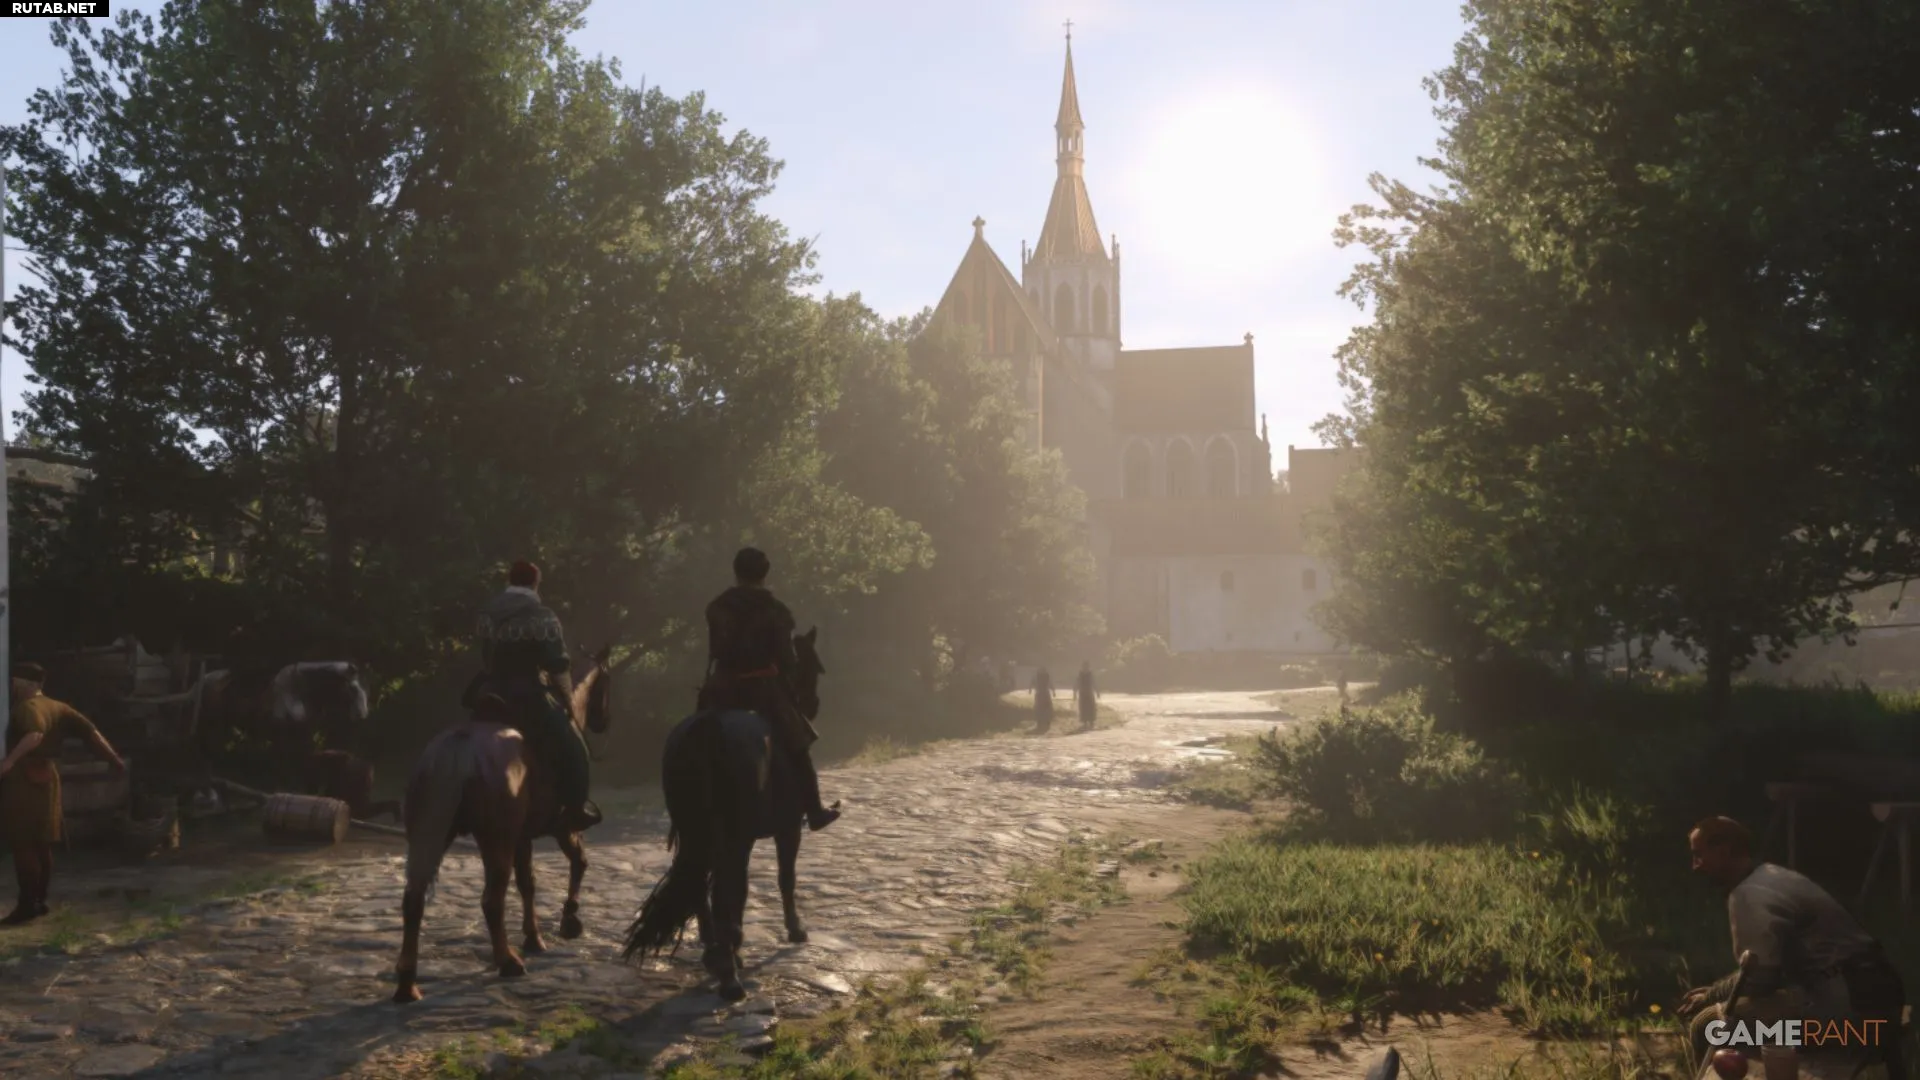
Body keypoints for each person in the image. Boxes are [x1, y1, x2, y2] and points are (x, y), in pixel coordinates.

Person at [1678, 816, 1906, 1075]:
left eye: (1699, 855)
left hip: (1851, 1024)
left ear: (1725, 850)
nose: (1695, 866)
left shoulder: (1750, 894)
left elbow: (1759, 981)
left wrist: (1711, 997)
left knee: (1709, 1026)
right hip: (1873, 1002)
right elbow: (1764, 971)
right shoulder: (1771, 876)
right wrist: (1717, 992)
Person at [698, 547, 841, 831]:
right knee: (798, 744)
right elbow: (787, 661)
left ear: (736, 572)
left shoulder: (716, 607)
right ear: (764, 574)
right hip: (760, 690)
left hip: (720, 688)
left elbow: (717, 650)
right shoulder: (777, 611)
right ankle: (814, 810)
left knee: (696, 729)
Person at [476, 560, 600, 832]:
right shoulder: (542, 615)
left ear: (510, 581)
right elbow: (557, 663)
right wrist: (566, 696)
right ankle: (577, 808)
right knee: (574, 746)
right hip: (528, 694)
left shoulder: (488, 612)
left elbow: (485, 655)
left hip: (489, 692)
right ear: (535, 582)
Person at [0, 663, 126, 924]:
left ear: (25, 683)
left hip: (23, 781)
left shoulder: (27, 708)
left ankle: (27, 905)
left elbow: (35, 734)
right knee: (42, 843)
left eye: (14, 681)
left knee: (23, 843)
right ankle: (39, 900)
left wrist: (8, 762)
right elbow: (91, 733)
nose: (12, 686)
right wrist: (115, 761)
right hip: (48, 777)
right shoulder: (59, 707)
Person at [1073, 661, 1098, 731]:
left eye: (1087, 666)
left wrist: (1097, 691)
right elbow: (1077, 683)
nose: (1085, 668)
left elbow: (1093, 682)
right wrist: (1074, 693)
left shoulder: (1090, 674)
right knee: (1083, 708)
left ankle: (1091, 721)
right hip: (1082, 693)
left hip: (1089, 693)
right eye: (1084, 666)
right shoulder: (1080, 674)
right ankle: (1085, 722)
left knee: (1091, 707)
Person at [1031, 667, 1054, 734]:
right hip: (1042, 693)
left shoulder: (1045, 676)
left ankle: (1044, 722)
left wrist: (1053, 690)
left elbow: (1050, 683)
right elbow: (1032, 682)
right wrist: (1053, 691)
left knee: (1044, 708)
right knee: (1041, 708)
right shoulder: (1038, 676)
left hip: (1043, 693)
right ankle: (1042, 722)